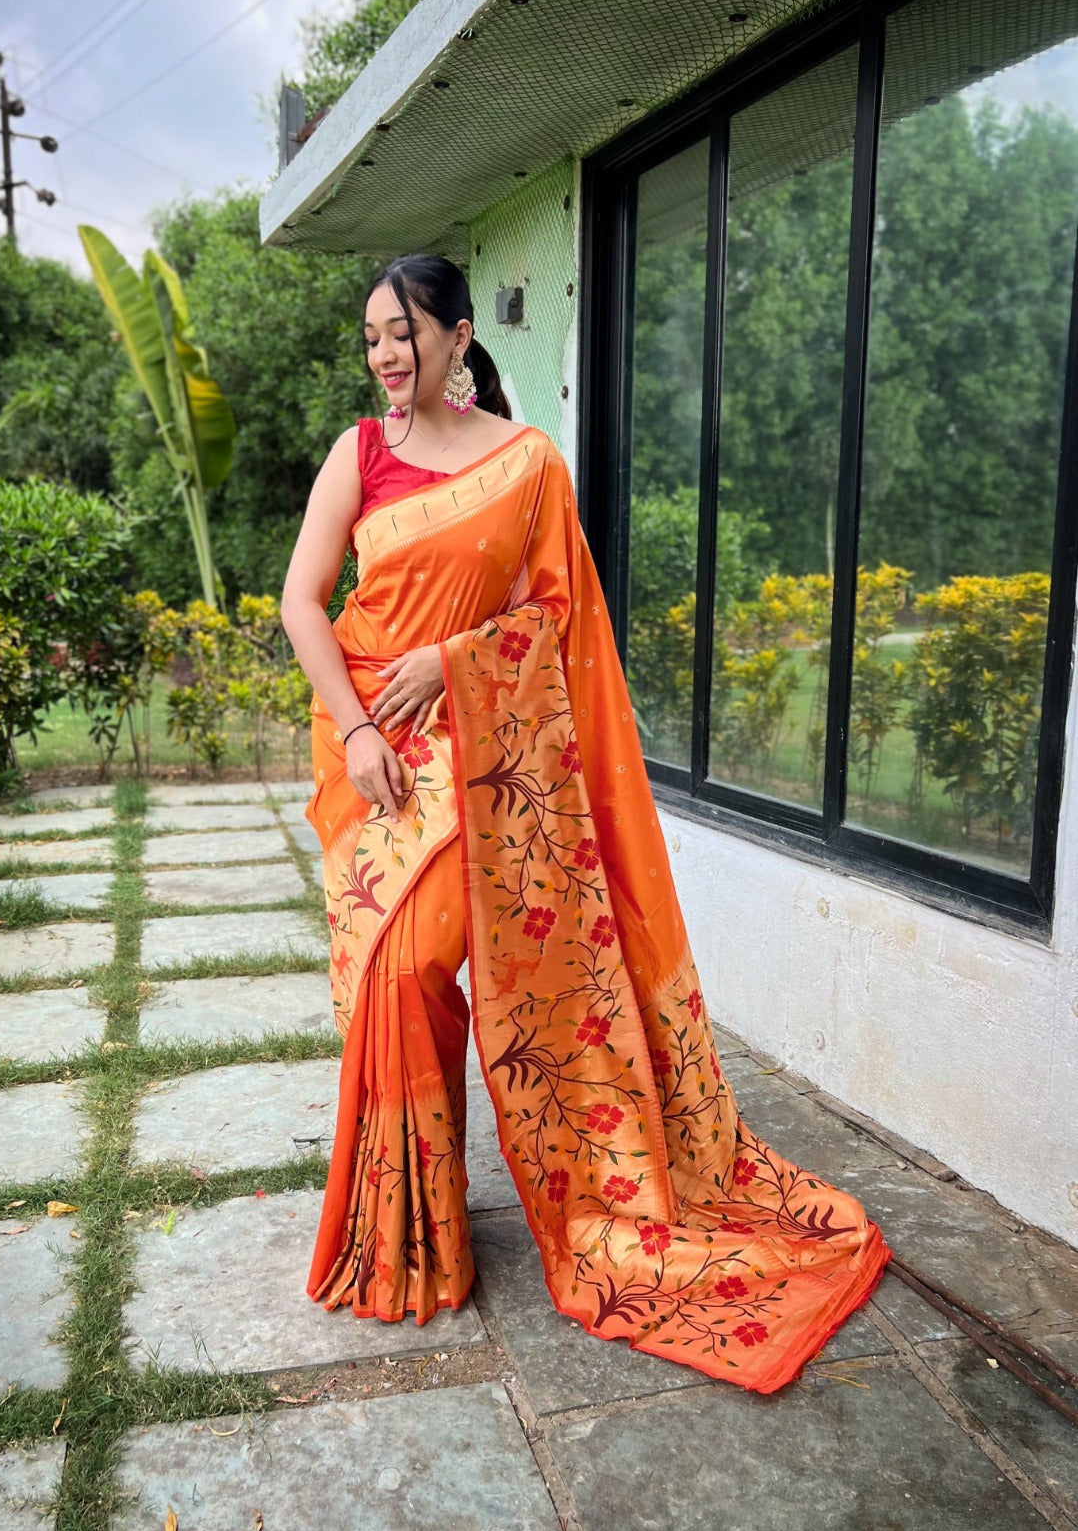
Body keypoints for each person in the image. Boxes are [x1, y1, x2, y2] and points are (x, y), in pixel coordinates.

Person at [280, 254, 889, 1393]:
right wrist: (360, 727)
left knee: (424, 969)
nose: (385, 354)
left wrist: (451, 661)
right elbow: (301, 599)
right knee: (395, 982)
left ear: (460, 336)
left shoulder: (526, 466)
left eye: (402, 331)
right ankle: (411, 1231)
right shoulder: (357, 454)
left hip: (485, 763)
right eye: (371, 337)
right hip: (373, 758)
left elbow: (557, 628)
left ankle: (454, 1217)